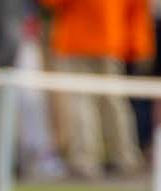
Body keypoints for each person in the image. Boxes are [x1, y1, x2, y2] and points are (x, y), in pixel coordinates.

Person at [47, 0, 147, 177]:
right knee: (113, 101)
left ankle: (85, 160)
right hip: (110, 37)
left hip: (78, 39)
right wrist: (138, 44)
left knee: (82, 101)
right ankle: (125, 156)